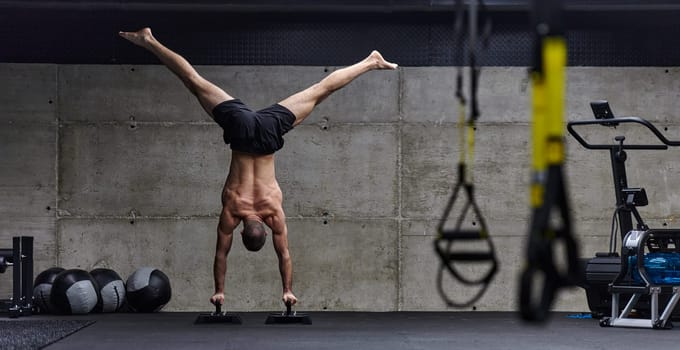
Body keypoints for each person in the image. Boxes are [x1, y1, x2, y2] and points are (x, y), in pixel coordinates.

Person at [119, 27, 398, 308]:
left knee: (319, 92)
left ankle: (370, 62)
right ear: (243, 231)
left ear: (264, 228)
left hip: (267, 134)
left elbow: (284, 254)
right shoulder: (233, 211)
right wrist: (219, 292)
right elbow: (221, 255)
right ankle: (149, 41)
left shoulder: (273, 213)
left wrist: (289, 289)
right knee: (193, 82)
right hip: (241, 132)